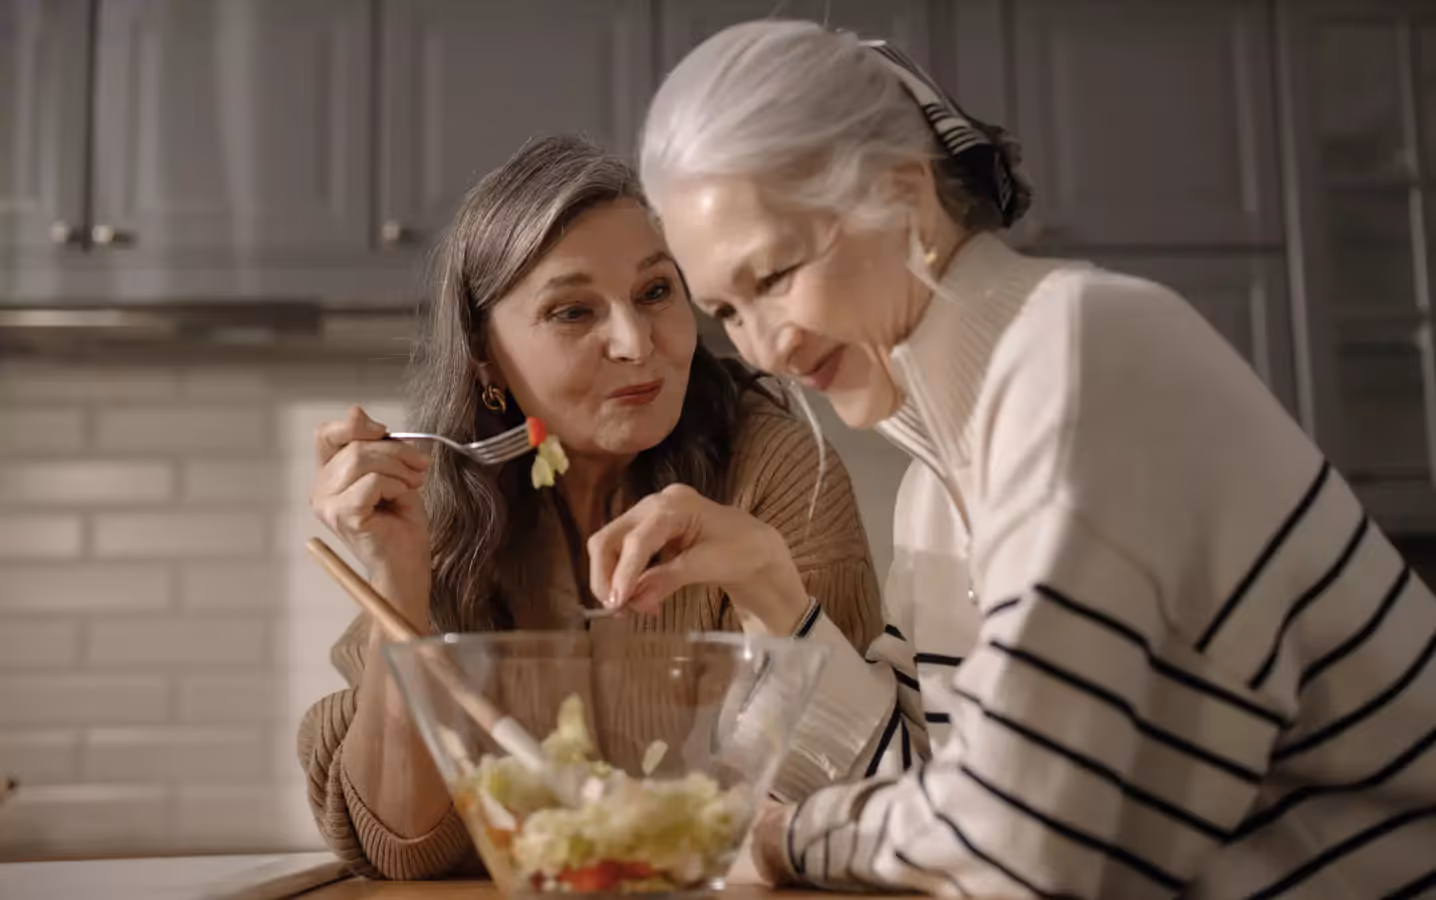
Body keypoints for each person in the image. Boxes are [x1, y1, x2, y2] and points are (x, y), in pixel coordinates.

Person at [585, 20, 1436, 899]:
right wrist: (770, 579)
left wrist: (783, 843)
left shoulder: (1085, 351)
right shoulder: (935, 490)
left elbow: (1025, 838)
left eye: (774, 278)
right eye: (728, 310)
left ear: (904, 198)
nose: (763, 347)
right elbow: (932, 795)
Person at [297, 135, 884, 881]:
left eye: (655, 292)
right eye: (574, 312)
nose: (636, 342)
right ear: (486, 360)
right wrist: (398, 573)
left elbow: (830, 799)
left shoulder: (777, 469)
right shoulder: (436, 504)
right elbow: (402, 845)